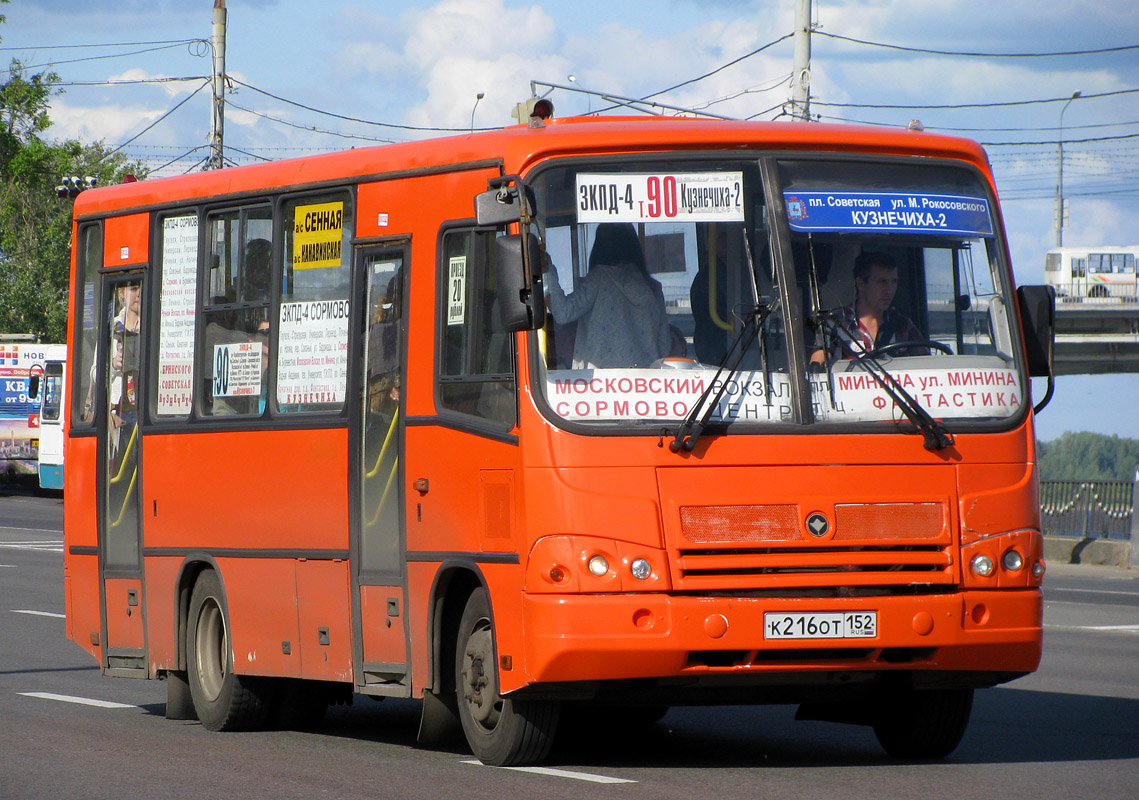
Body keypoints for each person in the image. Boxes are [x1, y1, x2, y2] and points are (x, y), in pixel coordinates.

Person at [545, 223, 673, 369]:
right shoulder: (653, 288)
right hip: (645, 383)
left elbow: (563, 313)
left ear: (598, 248)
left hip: (600, 384)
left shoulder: (599, 279)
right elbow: (664, 345)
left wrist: (546, 268)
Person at [811, 251, 927, 364]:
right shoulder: (834, 324)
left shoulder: (904, 326)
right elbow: (818, 367)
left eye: (894, 282)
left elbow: (927, 366)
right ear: (861, 284)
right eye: (882, 282)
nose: (889, 290)